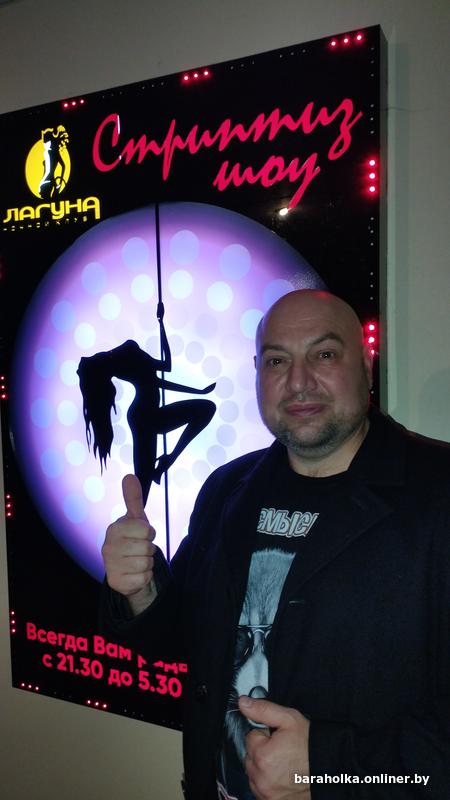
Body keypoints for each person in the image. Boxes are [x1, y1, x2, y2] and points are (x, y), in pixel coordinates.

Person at [100, 289, 450, 799]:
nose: (299, 382)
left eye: (324, 354)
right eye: (277, 360)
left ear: (366, 365)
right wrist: (140, 589)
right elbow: (196, 645)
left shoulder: (439, 497)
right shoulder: (228, 489)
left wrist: (331, 770)